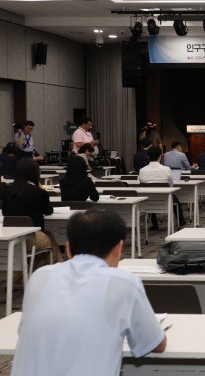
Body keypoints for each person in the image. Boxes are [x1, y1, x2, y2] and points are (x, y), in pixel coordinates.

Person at [11, 209, 167, 376]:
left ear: (69, 249)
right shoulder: (124, 282)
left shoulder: (39, 276)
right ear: (118, 249)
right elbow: (156, 344)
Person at [2, 158, 63, 264]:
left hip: (11, 237)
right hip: (29, 238)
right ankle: (57, 265)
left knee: (48, 235)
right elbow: (48, 211)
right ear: (35, 173)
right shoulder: (39, 193)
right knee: (47, 242)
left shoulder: (8, 191)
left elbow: (5, 212)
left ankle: (58, 263)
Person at [139, 146, 185, 230]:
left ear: (147, 156)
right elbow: (171, 185)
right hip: (165, 200)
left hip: (147, 202)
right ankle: (180, 222)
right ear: (161, 156)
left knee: (151, 194)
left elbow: (140, 183)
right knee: (175, 200)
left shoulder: (142, 170)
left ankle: (154, 224)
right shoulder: (166, 169)